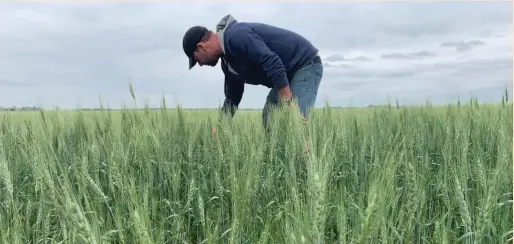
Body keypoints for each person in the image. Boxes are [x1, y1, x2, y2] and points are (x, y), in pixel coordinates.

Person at [182, 14, 323, 141]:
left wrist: (287, 103)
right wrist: (221, 126)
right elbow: (233, 97)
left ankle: (308, 163)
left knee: (295, 122)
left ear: (201, 47)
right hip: (286, 74)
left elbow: (271, 61)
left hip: (304, 64)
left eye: (196, 60)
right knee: (270, 118)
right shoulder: (228, 64)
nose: (200, 64)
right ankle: (283, 162)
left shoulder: (236, 36)